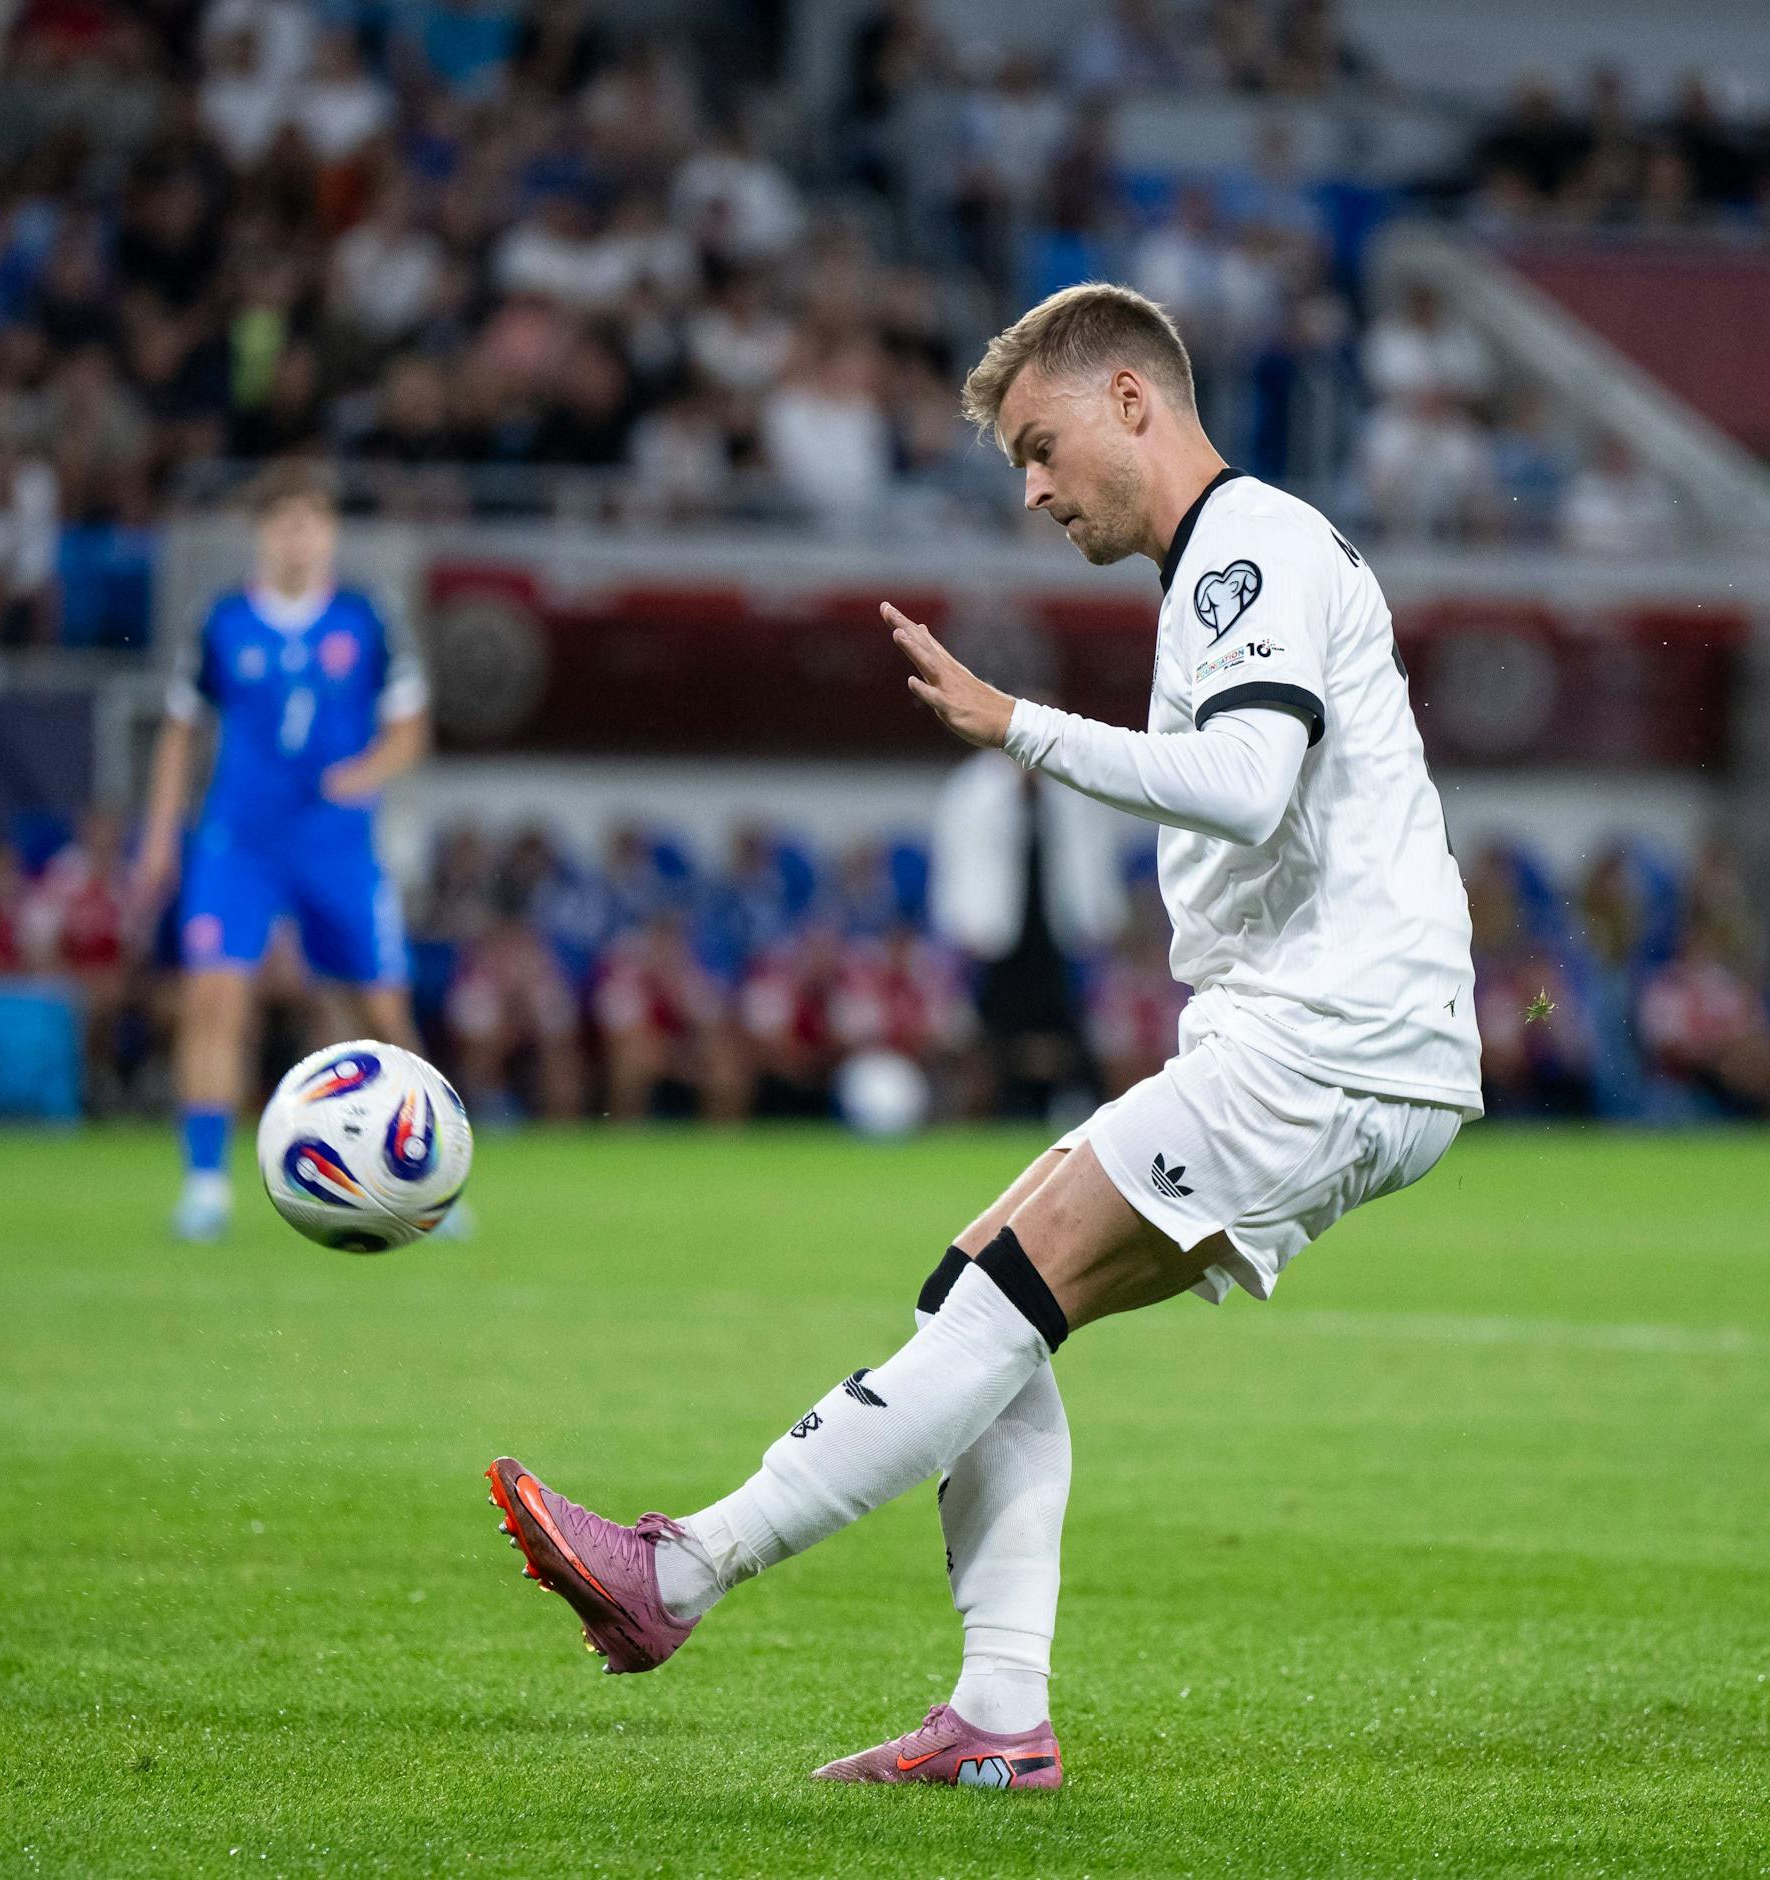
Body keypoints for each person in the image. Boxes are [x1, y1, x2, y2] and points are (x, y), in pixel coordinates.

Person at [482, 282, 1481, 1787]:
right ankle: (1000, 1714)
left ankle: (678, 1570)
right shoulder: (1230, 560)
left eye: (1039, 445)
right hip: (1325, 1039)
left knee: (995, 1302)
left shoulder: (1248, 548)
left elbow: (1247, 783)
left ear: (1130, 398)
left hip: (1329, 1040)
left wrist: (1017, 725)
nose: (1030, 490)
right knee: (980, 1297)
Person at [133, 458, 429, 1242]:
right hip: (239, 841)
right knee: (214, 999)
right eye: (285, 521)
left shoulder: (365, 619)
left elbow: (409, 731)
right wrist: (160, 834)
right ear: (262, 533)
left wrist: (361, 774)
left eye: (312, 520)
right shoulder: (222, 621)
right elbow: (180, 731)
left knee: (381, 1012)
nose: (299, 536)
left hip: (336, 844)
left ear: (330, 532)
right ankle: (205, 1185)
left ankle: (425, 1173)